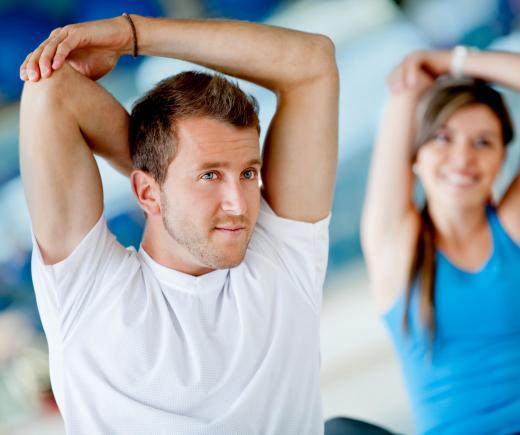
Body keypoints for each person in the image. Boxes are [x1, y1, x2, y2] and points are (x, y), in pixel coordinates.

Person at [19, 14, 339, 434]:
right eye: (209, 175)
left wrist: (133, 35)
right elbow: (50, 86)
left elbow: (312, 62)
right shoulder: (88, 290)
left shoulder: (281, 254)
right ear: (146, 193)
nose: (239, 203)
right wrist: (161, 174)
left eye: (247, 173)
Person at [361, 48, 520, 434]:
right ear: (414, 155)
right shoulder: (396, 244)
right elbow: (405, 88)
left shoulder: (512, 226)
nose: (462, 158)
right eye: (442, 138)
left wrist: (454, 61)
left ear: (502, 158)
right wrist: (415, 76)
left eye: (483, 143)